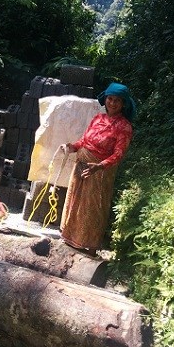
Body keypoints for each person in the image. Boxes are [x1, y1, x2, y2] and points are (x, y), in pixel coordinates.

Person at [60, 82, 136, 257]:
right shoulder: (98, 119)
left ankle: (90, 247)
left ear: (124, 104)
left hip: (100, 171)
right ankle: (70, 239)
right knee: (75, 201)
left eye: (118, 100)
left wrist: (99, 167)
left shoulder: (124, 127)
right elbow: (83, 142)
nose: (113, 103)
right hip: (81, 166)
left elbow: (118, 155)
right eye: (110, 98)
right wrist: (71, 147)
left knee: (93, 207)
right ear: (105, 99)